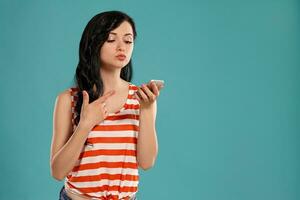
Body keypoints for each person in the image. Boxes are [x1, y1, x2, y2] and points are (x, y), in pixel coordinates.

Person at [50, 10, 163, 200]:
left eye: (128, 41)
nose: (122, 47)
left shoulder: (142, 99)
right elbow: (58, 172)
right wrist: (85, 124)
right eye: (111, 39)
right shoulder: (69, 99)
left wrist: (147, 109)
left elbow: (146, 162)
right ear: (94, 43)